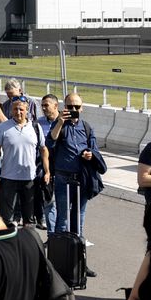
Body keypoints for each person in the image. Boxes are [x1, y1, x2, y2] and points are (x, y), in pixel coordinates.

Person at [45, 93, 103, 248]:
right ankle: (58, 255)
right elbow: (50, 142)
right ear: (65, 107)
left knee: (79, 217)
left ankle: (77, 257)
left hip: (81, 178)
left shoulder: (86, 127)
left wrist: (90, 155)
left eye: (77, 107)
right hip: (63, 178)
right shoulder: (59, 124)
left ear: (82, 108)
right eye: (70, 106)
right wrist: (60, 122)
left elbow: (94, 149)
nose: (73, 109)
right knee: (62, 217)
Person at [0, 97, 48, 226]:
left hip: (29, 179)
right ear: (11, 110)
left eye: (21, 109)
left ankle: (28, 243)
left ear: (27, 110)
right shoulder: (3, 127)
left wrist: (47, 171)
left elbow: (44, 150)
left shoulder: (35, 127)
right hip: (8, 178)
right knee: (6, 217)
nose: (18, 112)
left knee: (29, 218)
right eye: (15, 109)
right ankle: (7, 243)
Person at [34, 94, 60, 231]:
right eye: (42, 105)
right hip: (45, 169)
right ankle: (52, 237)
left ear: (56, 106)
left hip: (61, 168)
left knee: (62, 205)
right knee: (49, 203)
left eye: (46, 105)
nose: (43, 108)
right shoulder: (38, 123)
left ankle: (63, 235)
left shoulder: (64, 122)